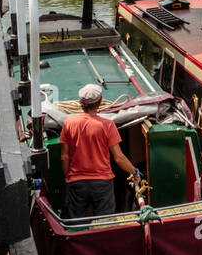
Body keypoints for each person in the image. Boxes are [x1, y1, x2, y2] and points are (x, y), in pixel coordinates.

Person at [60, 83, 142, 218]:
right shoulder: (108, 125)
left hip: (76, 182)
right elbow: (119, 157)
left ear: (81, 103)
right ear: (100, 103)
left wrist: (68, 176)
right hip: (102, 183)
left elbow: (64, 156)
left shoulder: (69, 124)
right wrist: (134, 171)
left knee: (76, 223)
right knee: (105, 222)